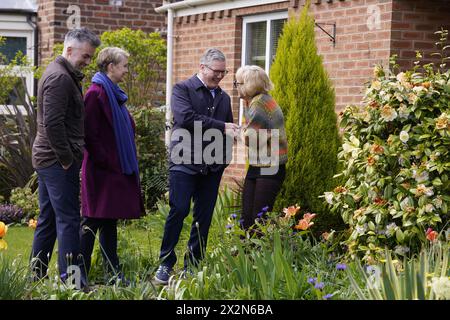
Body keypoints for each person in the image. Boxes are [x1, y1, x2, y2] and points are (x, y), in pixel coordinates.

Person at [154, 48, 239, 285]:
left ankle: (193, 265)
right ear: (202, 67)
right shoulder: (183, 89)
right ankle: (165, 263)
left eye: (224, 72)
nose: (220, 76)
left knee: (204, 217)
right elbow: (186, 119)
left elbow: (228, 128)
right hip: (184, 161)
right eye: (216, 71)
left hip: (212, 167)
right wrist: (222, 127)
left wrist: (224, 160)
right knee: (179, 210)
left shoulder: (224, 97)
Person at [31, 28, 100, 289]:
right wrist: (67, 159)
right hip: (56, 161)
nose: (87, 61)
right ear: (69, 50)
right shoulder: (60, 78)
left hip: (49, 159)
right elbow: (52, 124)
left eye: (90, 57)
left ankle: (35, 278)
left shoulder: (63, 73)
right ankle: (73, 282)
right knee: (69, 220)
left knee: (48, 219)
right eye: (85, 55)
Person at [79, 47, 144, 285]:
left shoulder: (114, 93)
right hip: (101, 171)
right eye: (124, 65)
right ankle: (79, 276)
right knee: (92, 221)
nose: (127, 70)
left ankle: (113, 274)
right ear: (111, 67)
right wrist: (106, 161)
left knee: (109, 221)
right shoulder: (95, 94)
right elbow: (89, 134)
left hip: (114, 170)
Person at [234, 65, 288, 233]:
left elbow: (250, 138)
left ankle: (254, 257)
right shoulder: (259, 100)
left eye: (238, 83)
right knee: (247, 219)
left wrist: (237, 131)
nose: (236, 86)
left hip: (269, 168)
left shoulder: (259, 105)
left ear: (247, 85)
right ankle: (244, 256)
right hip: (260, 165)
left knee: (257, 222)